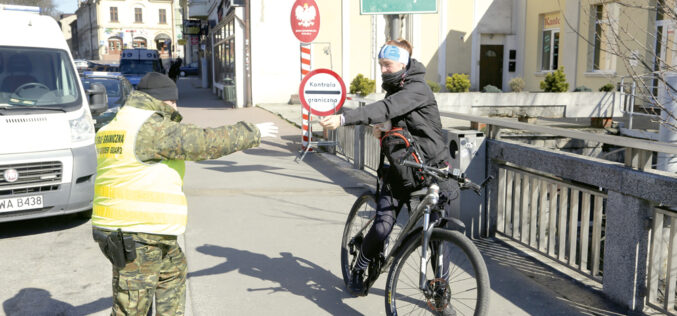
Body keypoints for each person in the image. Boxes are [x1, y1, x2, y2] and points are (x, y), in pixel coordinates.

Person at [91, 72, 278, 315]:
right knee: (133, 307)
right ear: (158, 100)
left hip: (134, 230)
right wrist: (253, 132)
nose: (176, 106)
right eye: (172, 102)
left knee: (173, 271)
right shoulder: (150, 128)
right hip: (136, 233)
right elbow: (202, 142)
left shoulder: (118, 123)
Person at [320, 39, 456, 312]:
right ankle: (360, 265)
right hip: (396, 173)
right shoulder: (395, 89)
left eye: (387, 64)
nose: (382, 70)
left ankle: (441, 293)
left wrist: (345, 119)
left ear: (403, 64)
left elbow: (387, 109)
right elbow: (390, 116)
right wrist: (381, 129)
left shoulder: (417, 89)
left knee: (438, 238)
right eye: (380, 64)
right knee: (382, 226)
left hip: (430, 172)